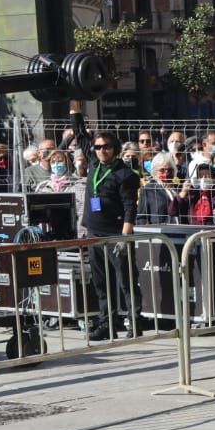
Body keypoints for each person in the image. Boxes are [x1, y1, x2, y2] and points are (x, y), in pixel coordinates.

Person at [81, 133, 142, 340]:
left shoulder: (125, 174)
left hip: (115, 233)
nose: (101, 150)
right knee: (100, 281)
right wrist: (75, 107)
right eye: (97, 147)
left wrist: (125, 237)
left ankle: (135, 321)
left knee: (126, 280)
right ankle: (107, 322)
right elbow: (80, 134)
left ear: (115, 148)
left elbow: (129, 207)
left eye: (106, 146)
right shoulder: (93, 165)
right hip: (93, 232)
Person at [135, 154, 191, 225]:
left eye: (170, 170)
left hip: (183, 231)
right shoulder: (148, 189)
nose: (166, 174)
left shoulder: (179, 188)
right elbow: (141, 218)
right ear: (155, 172)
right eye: (162, 170)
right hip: (160, 233)